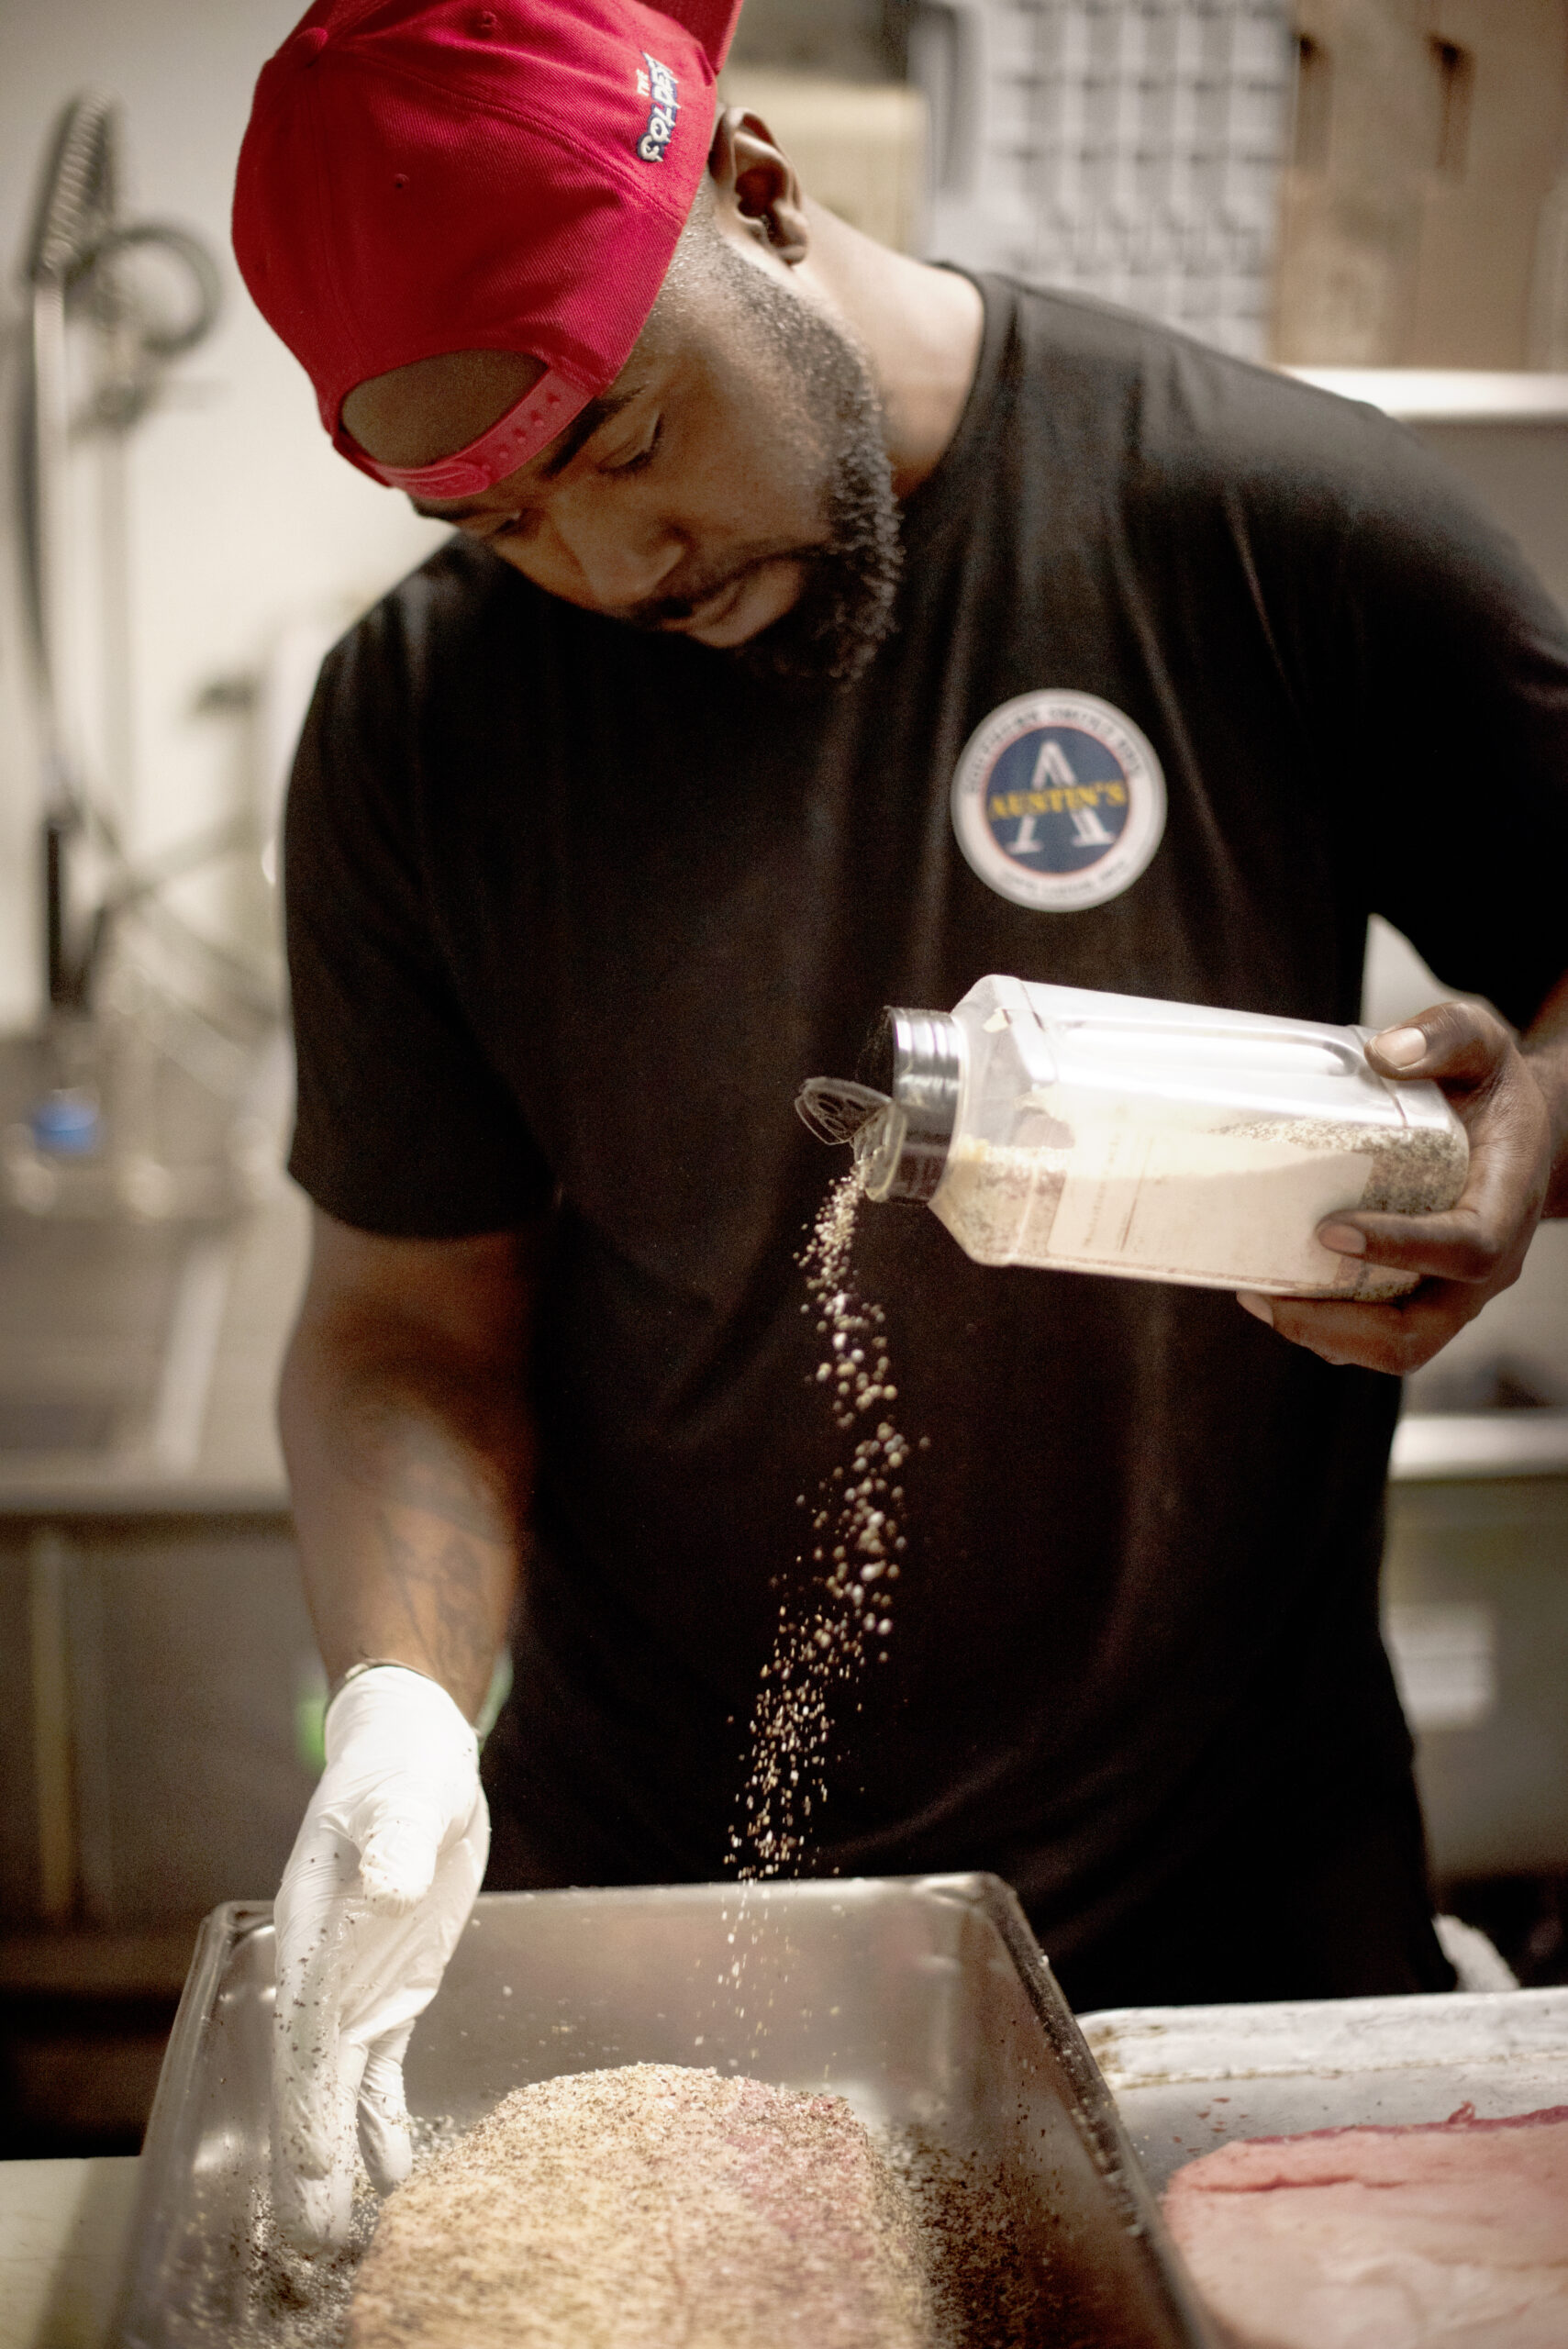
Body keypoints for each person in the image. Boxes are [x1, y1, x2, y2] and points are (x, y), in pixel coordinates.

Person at [234, 0, 1568, 2248]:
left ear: (754, 189)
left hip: (1236, 1918)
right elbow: (405, 1324)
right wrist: (394, 1707)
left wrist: (1528, 1130)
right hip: (677, 1933)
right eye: (500, 514)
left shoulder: (1256, 518)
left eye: (632, 434)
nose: (603, 561)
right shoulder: (422, 723)